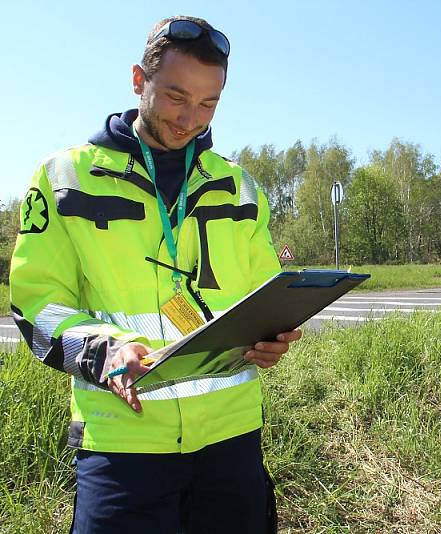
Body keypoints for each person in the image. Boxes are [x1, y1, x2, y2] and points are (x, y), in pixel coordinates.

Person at [10, 16, 300, 533]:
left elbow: (260, 294)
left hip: (233, 439)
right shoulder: (64, 177)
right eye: (175, 96)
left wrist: (272, 337)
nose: (191, 119)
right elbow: (37, 307)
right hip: (124, 442)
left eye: (209, 103)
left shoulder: (240, 187)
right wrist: (101, 350)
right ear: (138, 80)